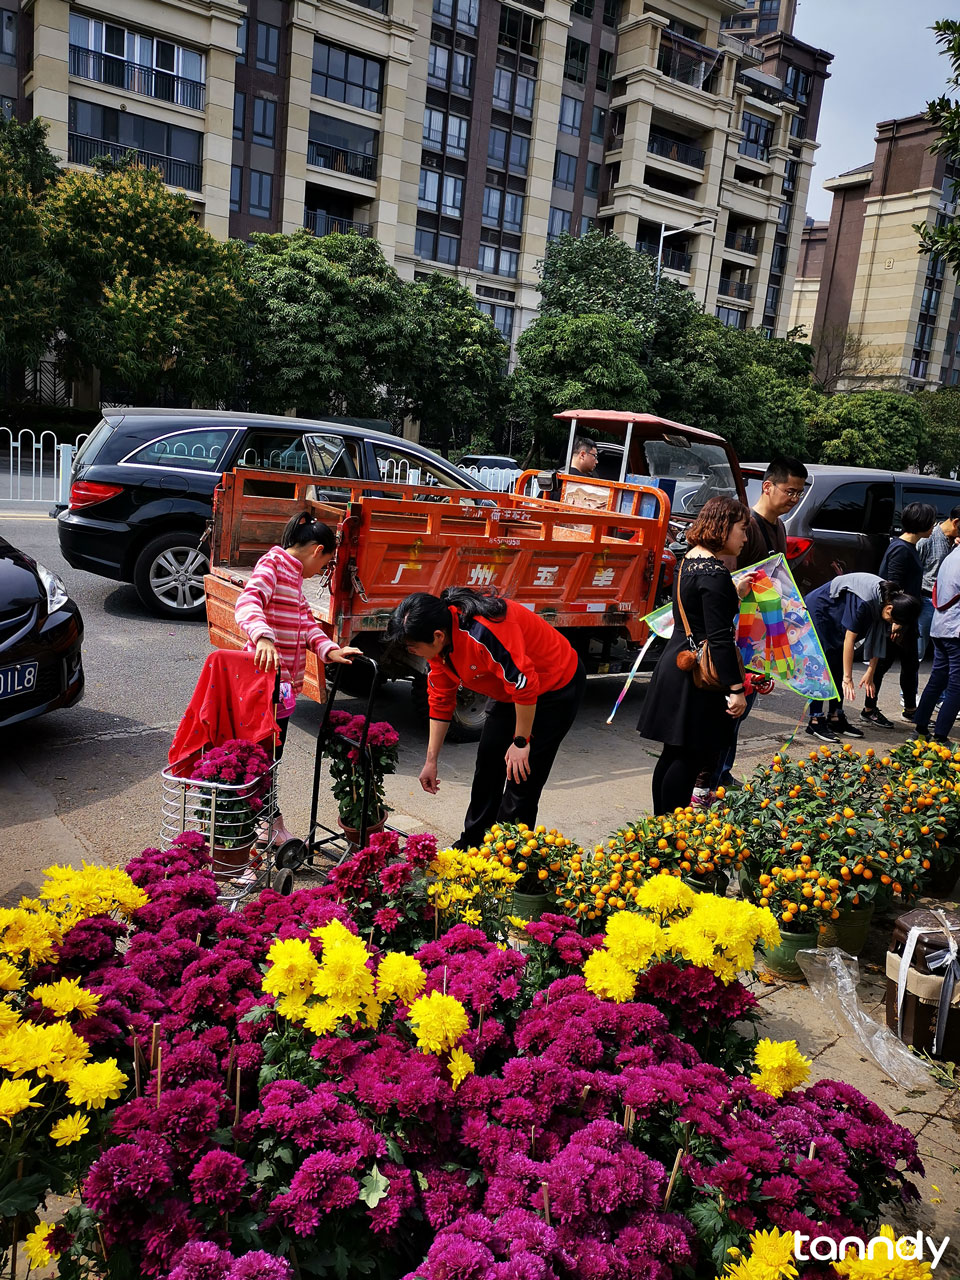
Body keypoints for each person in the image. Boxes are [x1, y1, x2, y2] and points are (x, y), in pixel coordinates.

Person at [385, 587, 586, 849]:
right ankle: (472, 844)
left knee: (521, 777)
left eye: (414, 647)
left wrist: (521, 742)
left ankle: (506, 855)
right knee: (488, 766)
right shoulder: (441, 646)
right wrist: (431, 761)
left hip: (555, 689)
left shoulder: (484, 633)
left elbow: (525, 685)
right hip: (510, 691)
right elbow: (440, 700)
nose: (414, 653)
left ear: (437, 635)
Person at [236, 510, 361, 845]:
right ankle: (252, 827)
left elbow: (307, 624)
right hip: (262, 686)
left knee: (270, 757)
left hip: (282, 688)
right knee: (259, 758)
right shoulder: (273, 565)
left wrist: (330, 650)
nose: (319, 572)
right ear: (317, 550)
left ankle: (266, 821)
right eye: (323, 566)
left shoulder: (293, 580)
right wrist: (262, 636)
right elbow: (248, 602)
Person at [692, 455, 808, 799]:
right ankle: (704, 783)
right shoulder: (746, 527)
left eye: (800, 493)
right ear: (768, 486)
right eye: (790, 491)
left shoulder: (780, 527)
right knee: (728, 711)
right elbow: (723, 583)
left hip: (760, 636)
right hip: (734, 636)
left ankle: (720, 774)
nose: (794, 499)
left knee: (739, 715)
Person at [638, 496, 751, 815]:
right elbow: (718, 637)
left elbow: (701, 613)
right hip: (697, 676)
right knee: (689, 757)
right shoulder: (714, 574)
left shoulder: (691, 560)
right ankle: (670, 830)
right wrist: (735, 690)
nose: (744, 538)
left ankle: (660, 827)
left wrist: (734, 593)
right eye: (742, 529)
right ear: (723, 527)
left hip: (677, 662)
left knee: (673, 753)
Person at [804, 574, 921, 743]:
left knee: (837, 662)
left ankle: (836, 716)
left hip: (838, 614)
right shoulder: (865, 603)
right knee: (824, 664)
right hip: (821, 609)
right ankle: (815, 720)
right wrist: (847, 678)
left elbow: (878, 638)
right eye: (894, 620)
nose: (893, 625)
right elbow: (849, 641)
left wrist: (871, 673)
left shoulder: (888, 600)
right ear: (889, 610)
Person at [862, 502, 936, 727]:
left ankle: (911, 708)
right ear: (921, 524)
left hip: (907, 618)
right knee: (881, 664)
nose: (934, 525)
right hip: (896, 619)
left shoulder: (909, 547)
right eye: (930, 521)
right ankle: (869, 708)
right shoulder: (900, 549)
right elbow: (892, 587)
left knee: (911, 663)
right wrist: (896, 622)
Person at [915, 543, 960, 742]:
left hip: (940, 626)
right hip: (956, 630)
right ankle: (940, 736)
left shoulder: (951, 556)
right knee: (956, 686)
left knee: (938, 678)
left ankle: (921, 726)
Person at [917, 505, 960, 660]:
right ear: (956, 522)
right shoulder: (927, 540)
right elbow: (914, 571)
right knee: (918, 650)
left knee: (943, 652)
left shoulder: (956, 543)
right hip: (927, 599)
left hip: (951, 605)